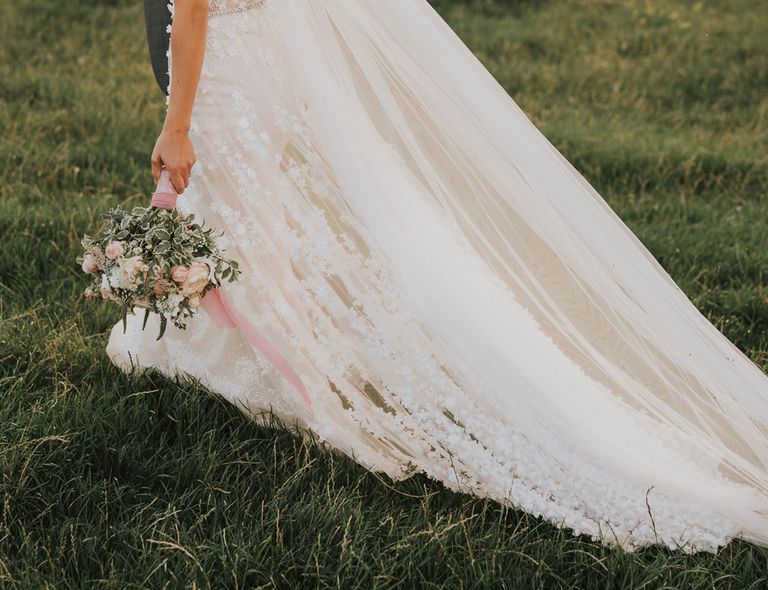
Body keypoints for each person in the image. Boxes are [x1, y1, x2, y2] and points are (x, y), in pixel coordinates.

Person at [107, 0, 768, 554]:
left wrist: (177, 128)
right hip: (264, 67)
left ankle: (304, 383)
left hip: (225, 74)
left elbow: (189, 8)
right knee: (253, 225)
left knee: (253, 234)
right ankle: (233, 344)